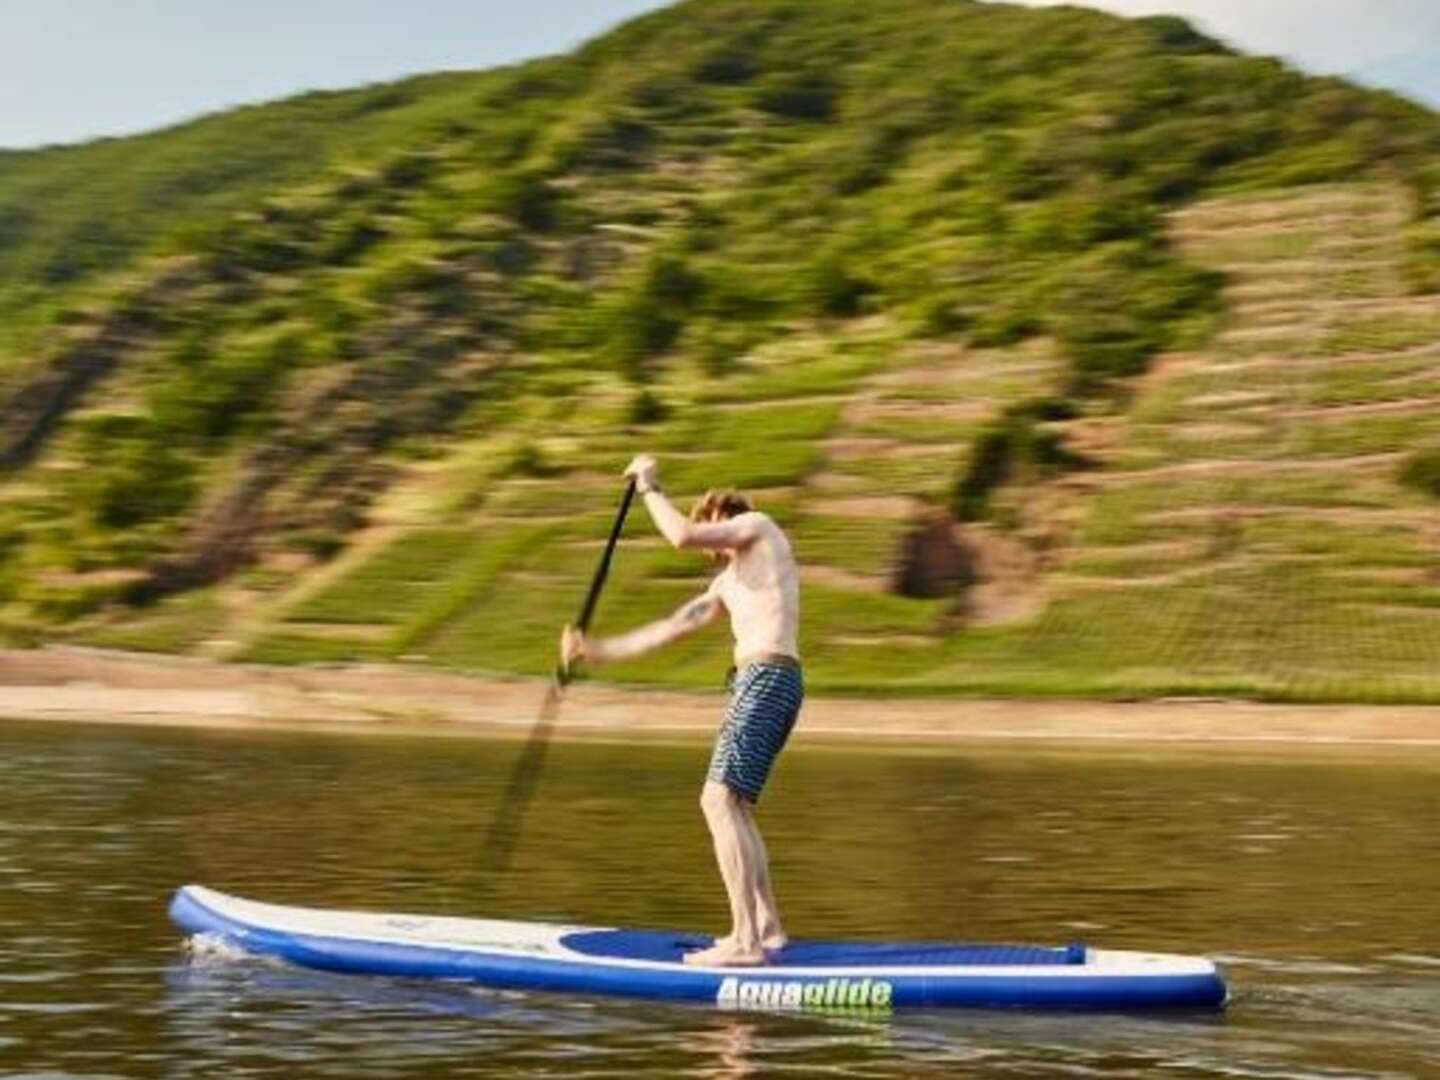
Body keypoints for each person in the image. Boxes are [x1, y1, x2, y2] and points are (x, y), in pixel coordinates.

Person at [560, 453, 803, 967]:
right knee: (734, 805)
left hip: (767, 678)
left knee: (716, 801)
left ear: (722, 514)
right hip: (766, 682)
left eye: (710, 522)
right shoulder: (727, 584)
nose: (710, 549)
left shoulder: (758, 528)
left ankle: (745, 944)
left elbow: (682, 536)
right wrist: (595, 650)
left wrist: (648, 486)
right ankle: (768, 928)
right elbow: (669, 630)